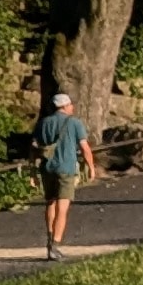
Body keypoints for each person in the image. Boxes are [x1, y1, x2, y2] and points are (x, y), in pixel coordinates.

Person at [34, 78, 97, 254]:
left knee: (50, 203)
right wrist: (91, 167)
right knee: (63, 207)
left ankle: (49, 235)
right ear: (64, 106)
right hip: (66, 168)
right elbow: (85, 147)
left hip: (47, 168)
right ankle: (55, 244)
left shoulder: (43, 123)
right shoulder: (74, 123)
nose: (72, 107)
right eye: (70, 105)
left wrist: (33, 171)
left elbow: (34, 147)